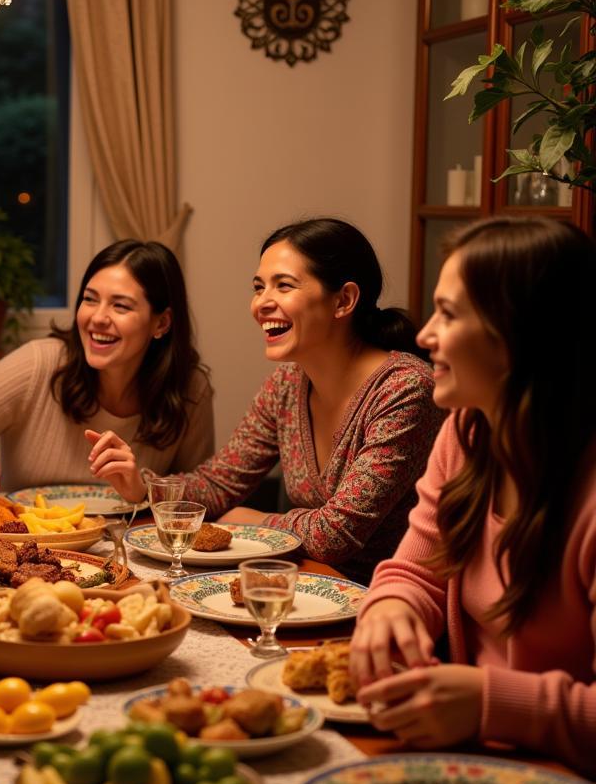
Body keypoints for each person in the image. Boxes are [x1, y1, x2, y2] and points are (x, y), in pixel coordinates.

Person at [349, 216, 596, 775]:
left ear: (520, 336)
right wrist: (391, 607)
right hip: (479, 762)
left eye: (450, 314)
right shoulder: (467, 431)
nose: (424, 334)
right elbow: (417, 570)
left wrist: (490, 703)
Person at [99, 218, 446, 584]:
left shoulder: (405, 389)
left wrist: (252, 520)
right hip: (307, 584)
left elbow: (335, 535)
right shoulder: (288, 382)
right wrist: (143, 486)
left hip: (391, 604)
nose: (261, 303)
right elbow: (220, 483)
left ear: (343, 300)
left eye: (283, 286)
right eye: (258, 287)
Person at [0, 239, 214, 499]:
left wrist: (142, 484)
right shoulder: (39, 364)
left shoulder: (190, 388)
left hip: (125, 562)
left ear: (162, 322)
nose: (97, 317)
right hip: (24, 557)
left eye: (120, 306)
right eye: (90, 298)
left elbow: (201, 494)